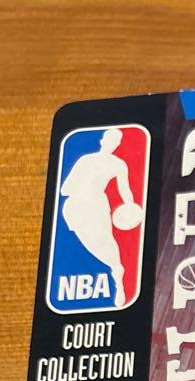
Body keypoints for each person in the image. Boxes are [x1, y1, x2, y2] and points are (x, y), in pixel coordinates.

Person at [58, 127, 139, 307]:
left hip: (98, 205)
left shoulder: (118, 164)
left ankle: (118, 278)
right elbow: (65, 189)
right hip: (77, 206)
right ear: (103, 140)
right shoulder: (86, 160)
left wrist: (130, 206)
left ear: (118, 145)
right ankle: (102, 269)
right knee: (89, 241)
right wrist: (83, 190)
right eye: (110, 139)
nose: (113, 143)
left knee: (106, 240)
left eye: (116, 141)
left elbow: (124, 189)